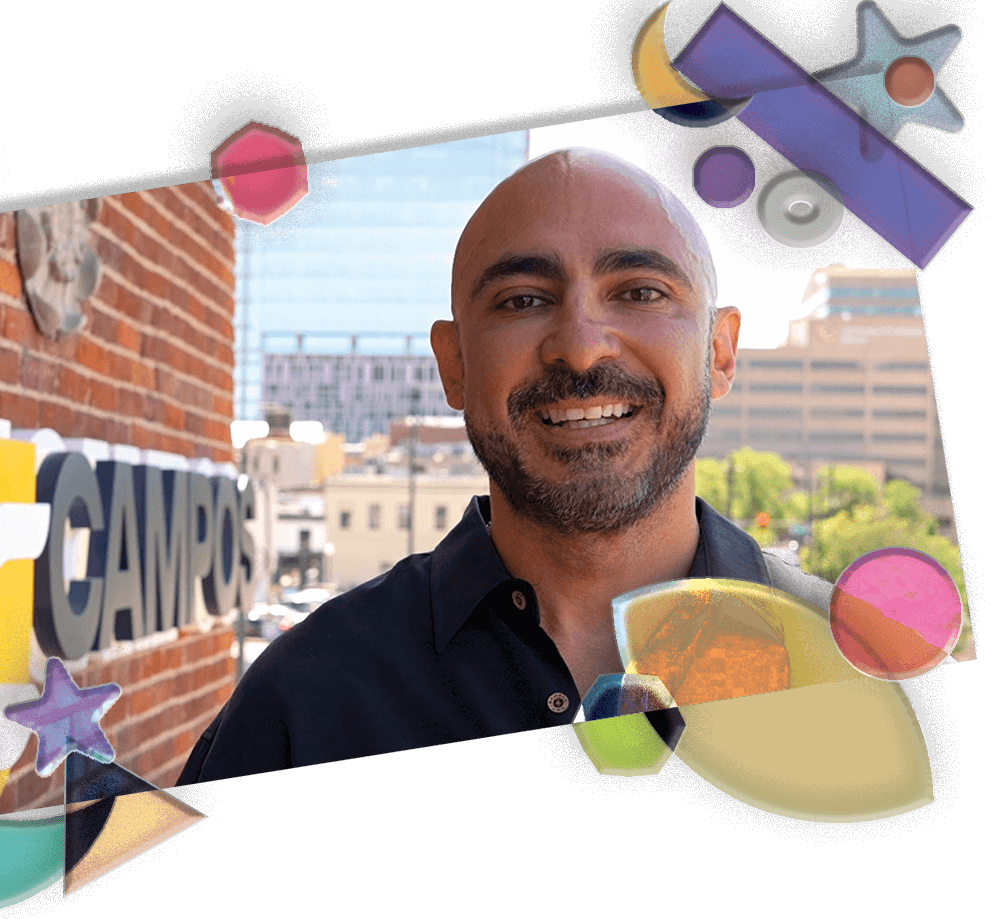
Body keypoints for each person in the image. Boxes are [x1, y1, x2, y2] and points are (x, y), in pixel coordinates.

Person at [175, 148, 834, 784]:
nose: (578, 349)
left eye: (638, 291)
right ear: (453, 364)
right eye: (521, 300)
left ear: (719, 352)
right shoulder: (305, 696)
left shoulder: (851, 664)